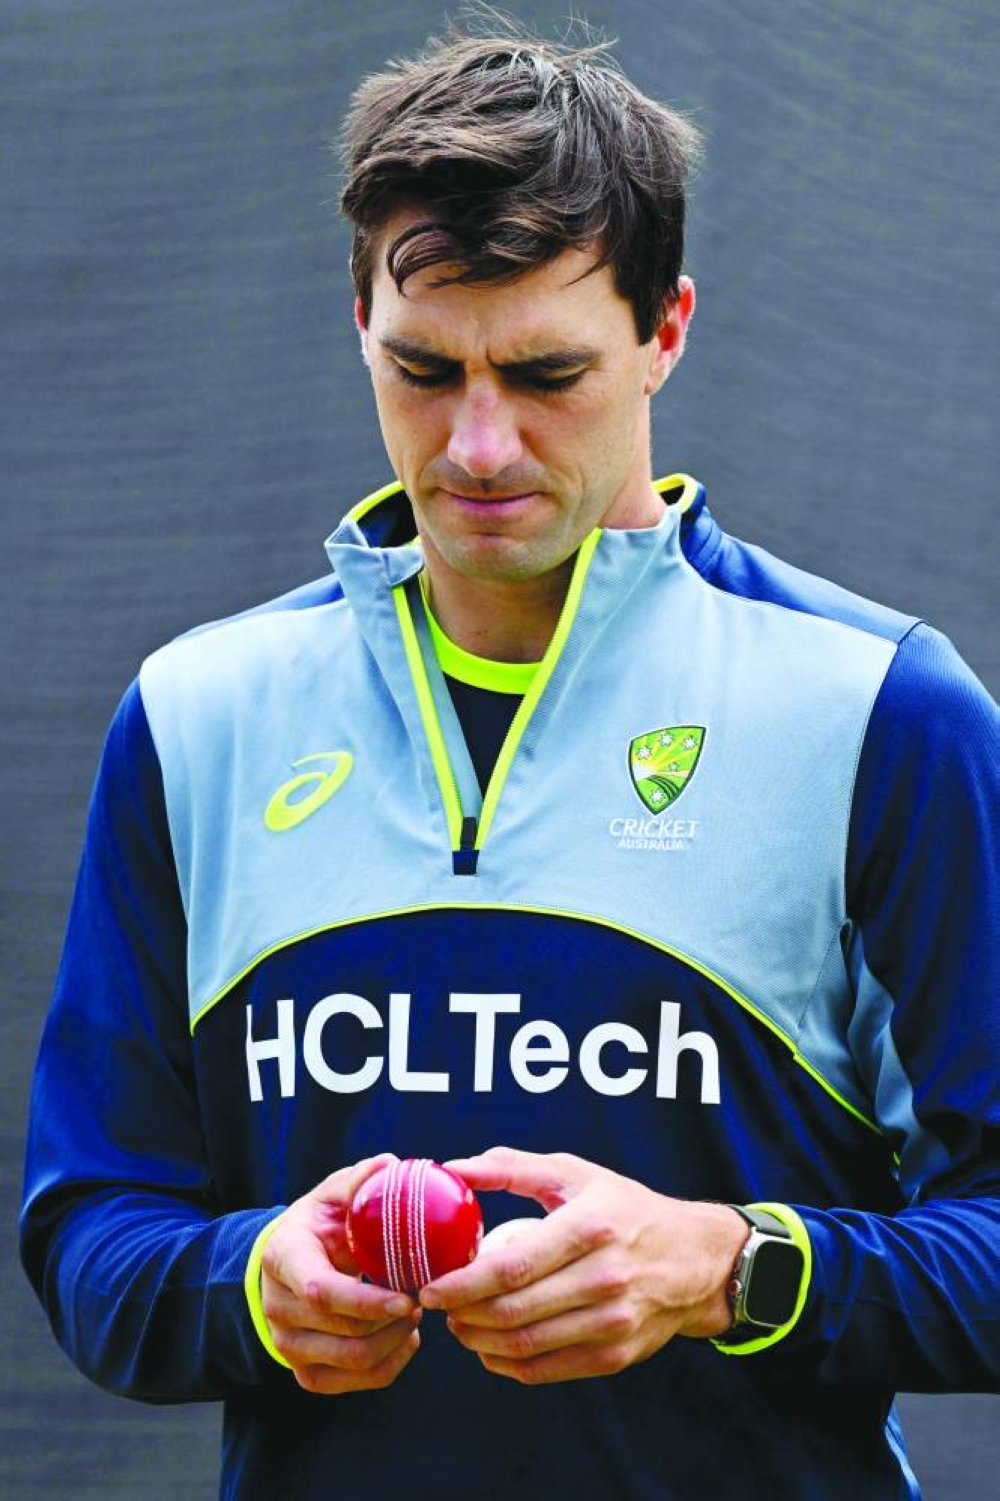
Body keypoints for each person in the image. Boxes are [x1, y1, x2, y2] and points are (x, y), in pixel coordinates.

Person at [20, 20, 999, 1501]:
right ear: (358, 314)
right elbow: (90, 1225)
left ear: (667, 329)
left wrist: (729, 1265)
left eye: (546, 373)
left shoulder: (882, 708)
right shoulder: (195, 714)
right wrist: (250, 1280)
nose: (479, 444)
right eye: (425, 369)